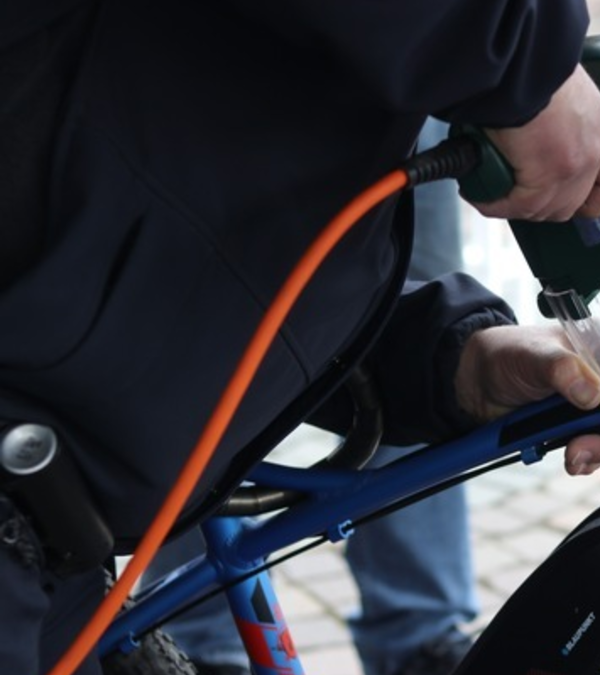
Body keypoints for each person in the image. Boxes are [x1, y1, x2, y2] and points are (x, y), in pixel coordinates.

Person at [0, 3, 600, 675]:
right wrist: (521, 53)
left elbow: (183, 238)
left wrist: (453, 361)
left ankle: (419, 626)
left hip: (45, 531)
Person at [145, 119, 483, 675]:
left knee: (428, 334)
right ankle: (207, 641)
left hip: (417, 98)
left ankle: (420, 633)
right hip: (207, 75)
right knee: (189, 312)